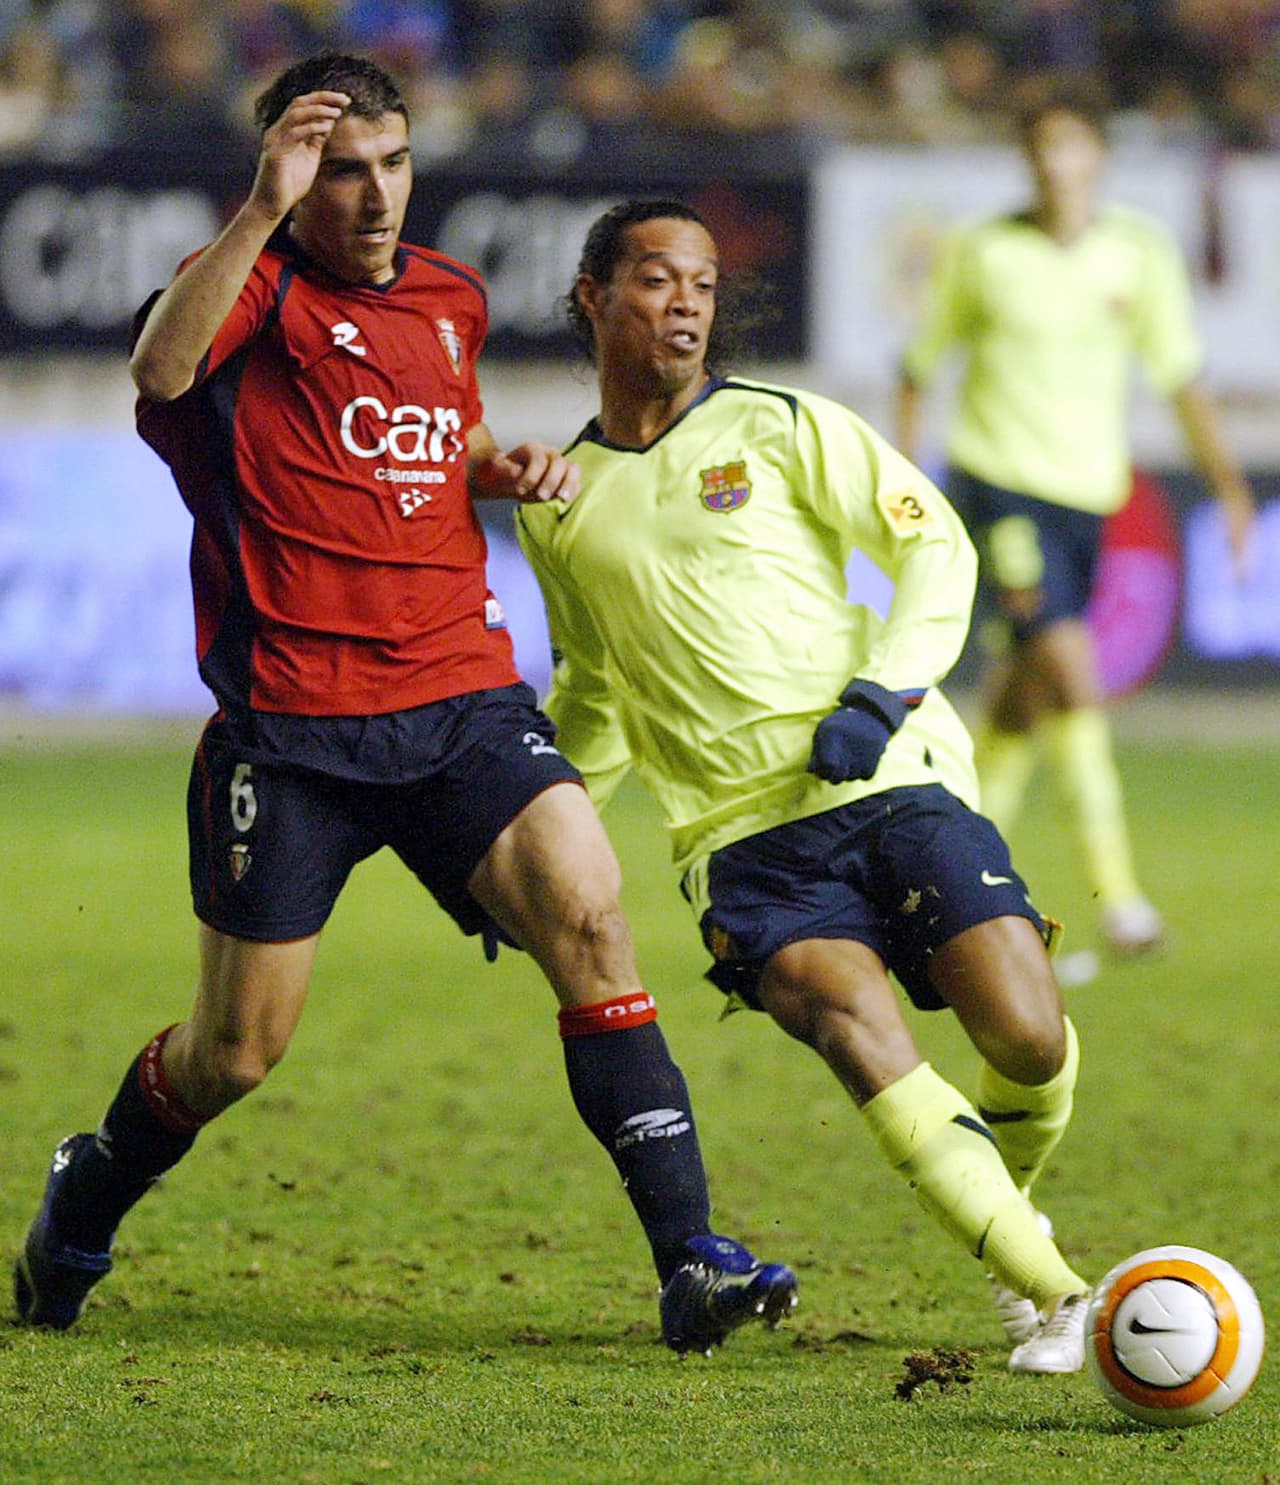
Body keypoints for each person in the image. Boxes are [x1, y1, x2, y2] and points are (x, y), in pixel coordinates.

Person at [12, 55, 797, 1357]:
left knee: (591, 915)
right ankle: (86, 1193)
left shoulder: (450, 299)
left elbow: (418, 450)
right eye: (341, 170)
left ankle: (690, 1260)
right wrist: (263, 210)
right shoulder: (246, 299)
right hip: (292, 729)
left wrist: (494, 467)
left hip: (459, 696)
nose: (374, 197)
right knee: (234, 1054)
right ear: (292, 175)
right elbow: (157, 372)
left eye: (392, 166)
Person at [517, 198, 1094, 1374]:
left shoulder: (782, 427)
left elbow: (935, 546)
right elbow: (592, 688)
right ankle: (1059, 1292)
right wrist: (525, 817)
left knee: (1029, 1038)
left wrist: (879, 692)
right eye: (656, 280)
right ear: (592, 295)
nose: (685, 304)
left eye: (704, 285)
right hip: (740, 845)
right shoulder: (560, 502)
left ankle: (1004, 1220)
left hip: (890, 780)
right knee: (850, 1021)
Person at [894, 83, 1256, 963]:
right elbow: (918, 368)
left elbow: (1181, 375)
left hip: (1087, 496)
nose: (1057, 163)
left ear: (1095, 155)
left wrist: (1231, 486)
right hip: (998, 485)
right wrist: (904, 488)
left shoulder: (1138, 254)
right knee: (1073, 671)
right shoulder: (982, 252)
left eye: (1071, 146)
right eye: (1041, 148)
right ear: (1028, 160)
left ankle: (939, 882)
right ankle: (1124, 900)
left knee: (1020, 703)